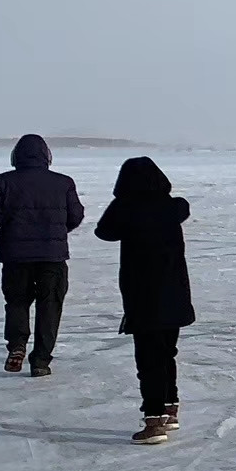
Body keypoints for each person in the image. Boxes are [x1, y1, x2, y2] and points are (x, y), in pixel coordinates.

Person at [94, 157, 195, 445]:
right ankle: (169, 409)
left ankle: (154, 422)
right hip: (175, 293)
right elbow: (182, 207)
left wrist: (122, 201)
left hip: (144, 295)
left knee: (149, 358)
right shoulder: (173, 207)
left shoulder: (126, 209)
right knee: (166, 352)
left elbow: (104, 231)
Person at [0, 134, 85, 376]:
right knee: (50, 306)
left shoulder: (2, 182)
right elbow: (75, 216)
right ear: (47, 156)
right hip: (53, 257)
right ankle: (40, 361)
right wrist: (57, 231)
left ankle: (17, 345)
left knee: (16, 302)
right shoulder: (64, 183)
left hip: (16, 257)